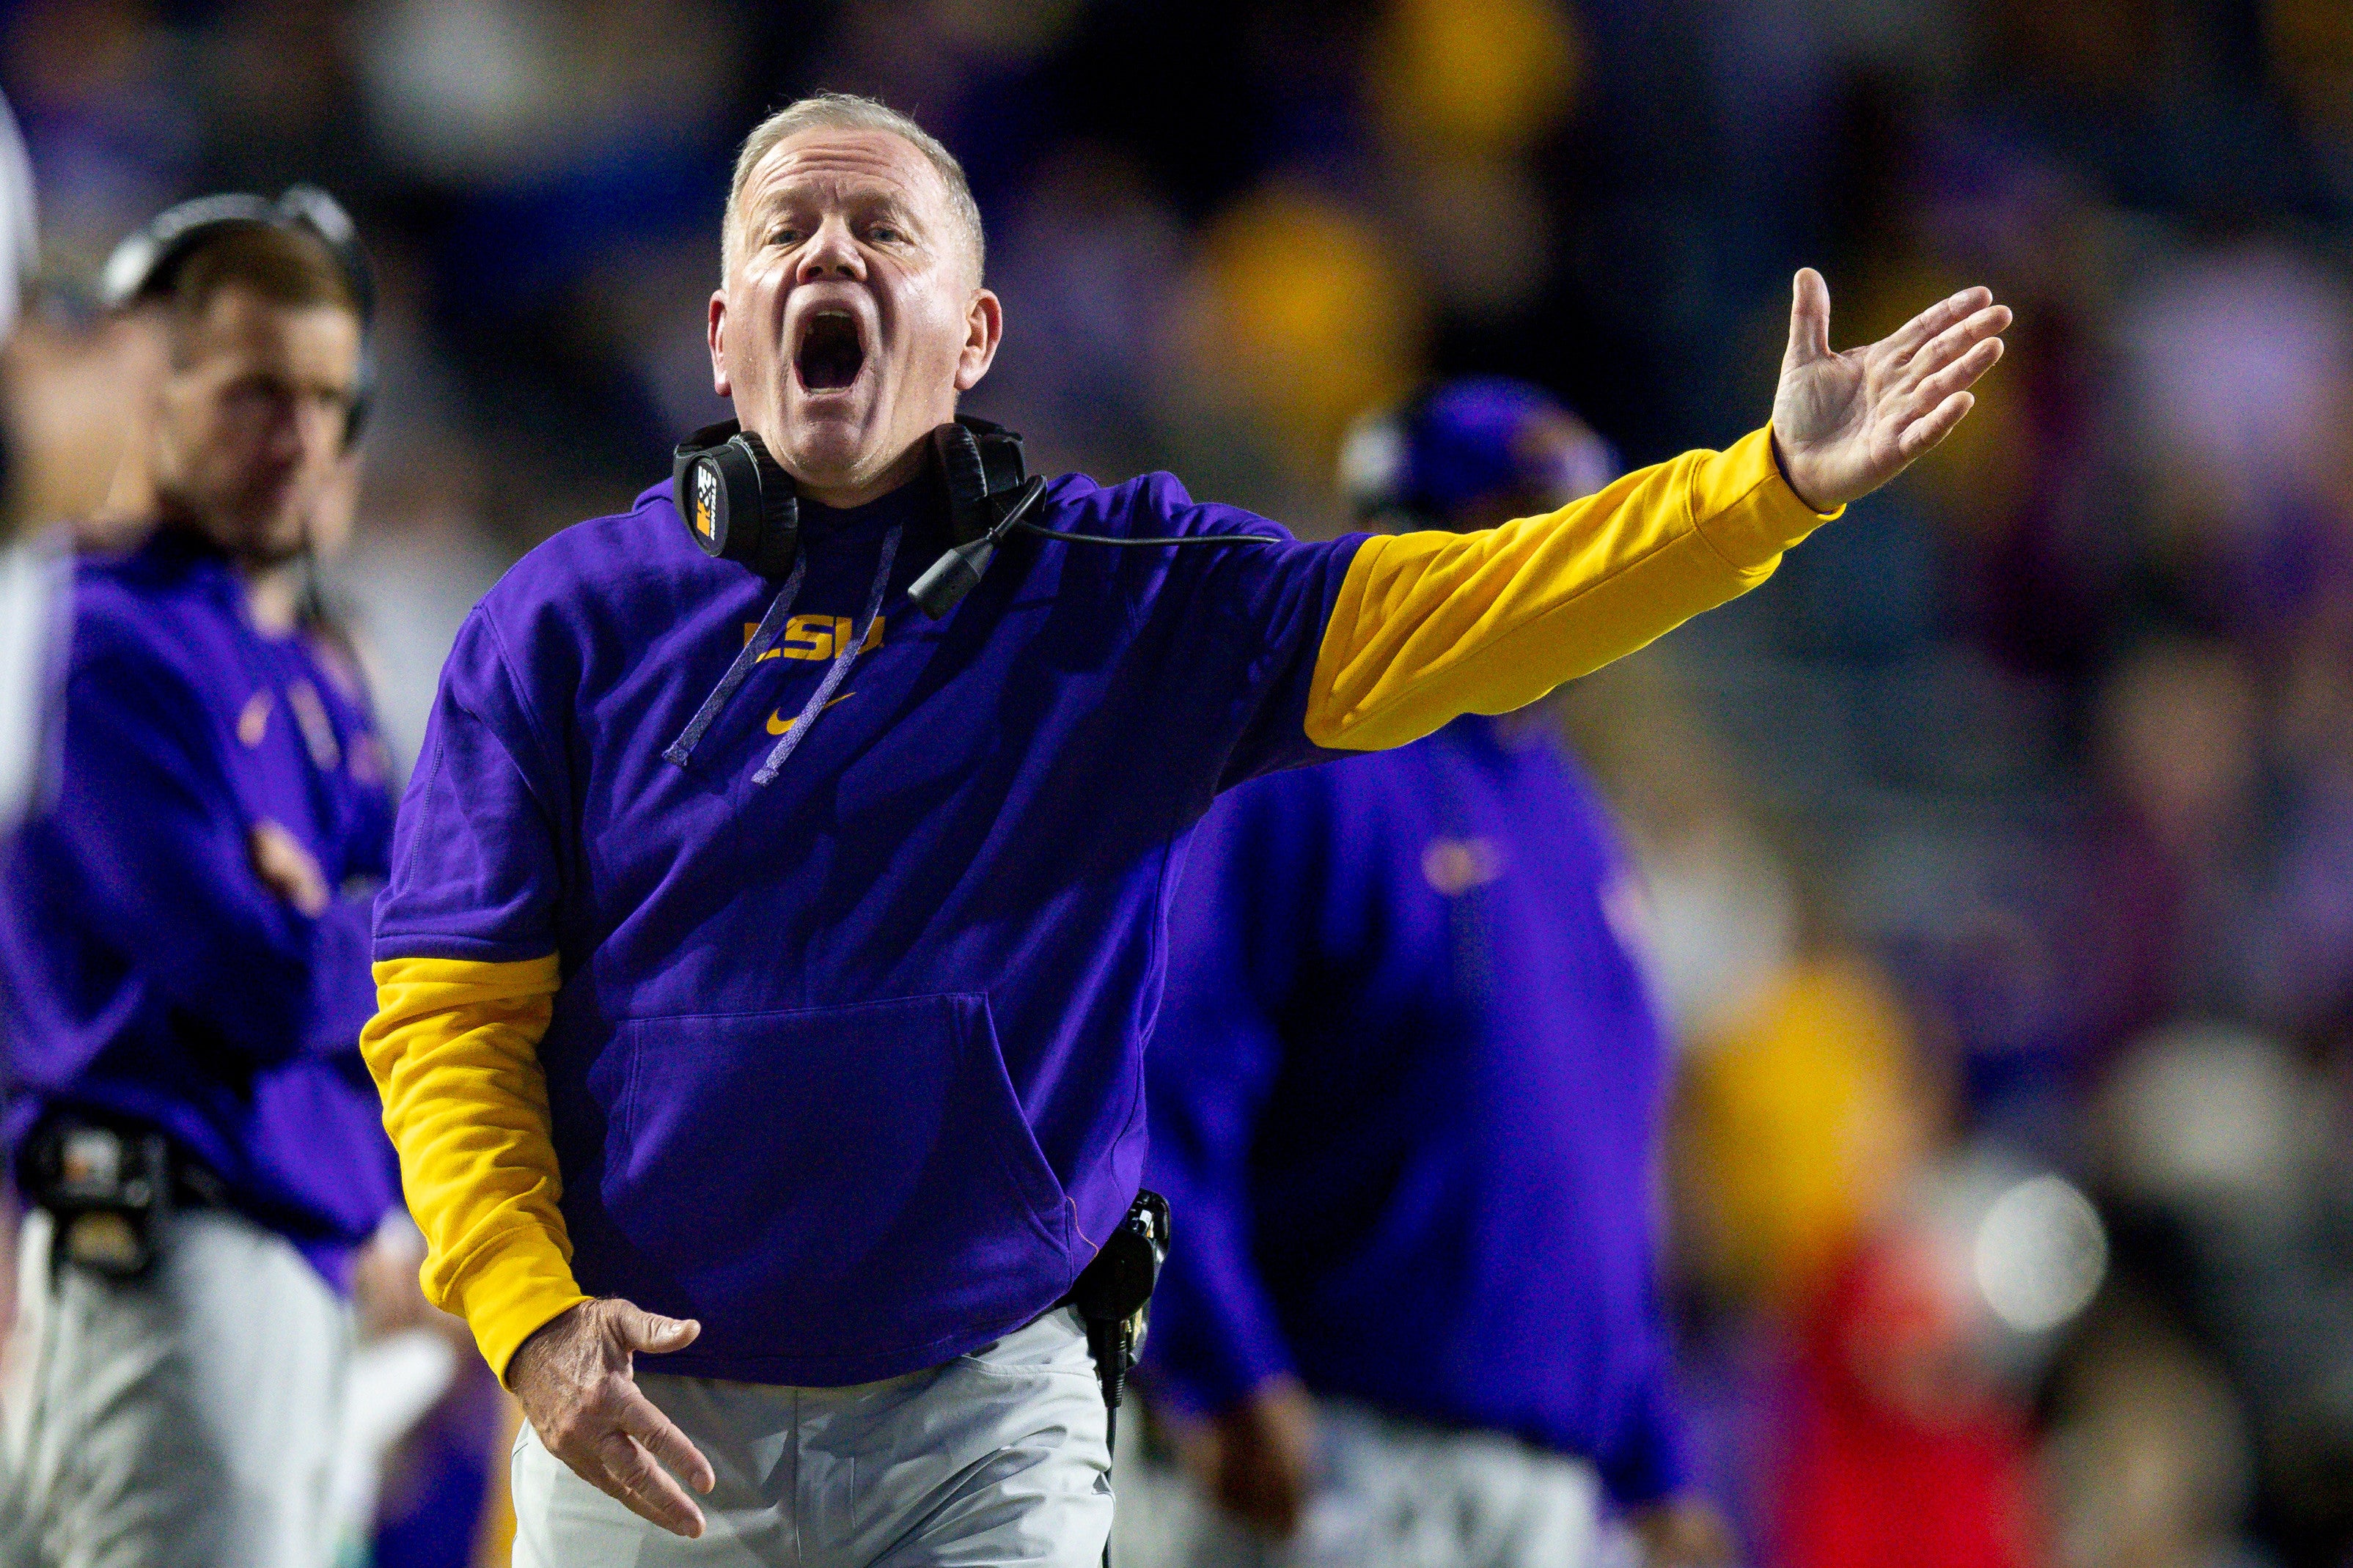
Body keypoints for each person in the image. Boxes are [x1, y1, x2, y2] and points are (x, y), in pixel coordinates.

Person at [361, 92, 2008, 1567]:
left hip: (977, 1417)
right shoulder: (555, 626)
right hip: (643, 1408)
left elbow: (1466, 599)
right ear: (722, 332)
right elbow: (447, 1022)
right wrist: (524, 1317)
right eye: (786, 227)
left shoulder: (1124, 598)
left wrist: (1762, 491)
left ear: (979, 328)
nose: (831, 253)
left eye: (884, 228)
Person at [1131, 378, 1728, 1568]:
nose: (1580, 565)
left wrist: (1656, 1462)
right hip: (1334, 1462)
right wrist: (1220, 1364)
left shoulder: (1571, 811)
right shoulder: (1306, 765)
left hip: (1549, 1493)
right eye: (1539, 523)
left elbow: (1598, 1181)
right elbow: (1162, 1089)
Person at [0, 199, 402, 1567]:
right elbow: (264, 981)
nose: (298, 438)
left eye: (327, 401)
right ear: (150, 384)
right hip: (168, 1266)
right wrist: (349, 943)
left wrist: (340, 924)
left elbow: (463, 921)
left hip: (291, 1274)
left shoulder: (291, 659)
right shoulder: (98, 640)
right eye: (252, 395)